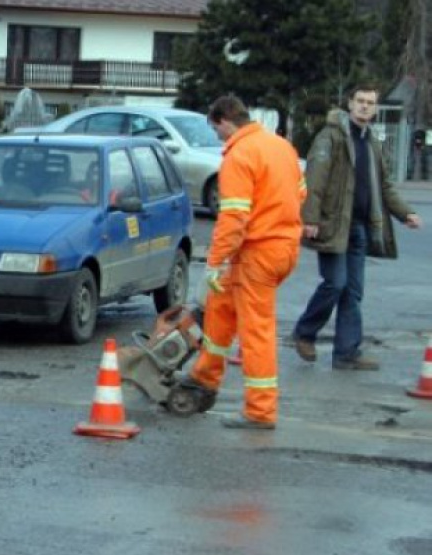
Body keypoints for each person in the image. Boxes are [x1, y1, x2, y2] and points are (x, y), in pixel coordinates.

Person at [173, 96, 305, 430]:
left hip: (257, 253)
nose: (218, 138)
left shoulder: (239, 154)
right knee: (219, 307)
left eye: (215, 130)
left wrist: (214, 263)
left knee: (255, 332)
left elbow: (233, 217)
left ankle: (260, 412)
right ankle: (204, 377)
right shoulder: (280, 147)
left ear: (222, 121)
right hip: (279, 247)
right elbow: (300, 192)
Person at [292, 84, 423, 370]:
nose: (365, 106)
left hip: (360, 227)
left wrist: (406, 214)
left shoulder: (370, 141)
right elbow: (315, 179)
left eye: (370, 102)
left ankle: (346, 353)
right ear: (349, 104)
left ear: (375, 108)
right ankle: (304, 333)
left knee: (353, 291)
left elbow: (384, 185)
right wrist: (310, 219)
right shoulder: (331, 137)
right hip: (334, 225)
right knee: (335, 284)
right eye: (360, 101)